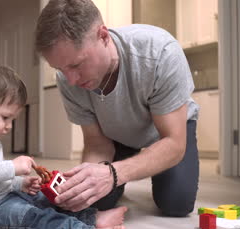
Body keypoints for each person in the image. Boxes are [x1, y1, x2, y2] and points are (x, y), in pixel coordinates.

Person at [35, 0, 199, 217]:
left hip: (165, 135)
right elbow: (96, 142)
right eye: (60, 69)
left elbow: (174, 143)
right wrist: (84, 185)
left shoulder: (160, 53)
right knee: (95, 202)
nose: (71, 80)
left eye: (76, 65)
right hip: (116, 136)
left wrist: (114, 173)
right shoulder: (66, 79)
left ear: (103, 36)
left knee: (176, 203)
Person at [0, 65, 127, 229]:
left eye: (12, 120)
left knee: (43, 197)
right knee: (32, 217)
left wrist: (20, 183)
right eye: (5, 117)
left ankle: (91, 218)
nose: (9, 126)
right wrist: (12, 166)